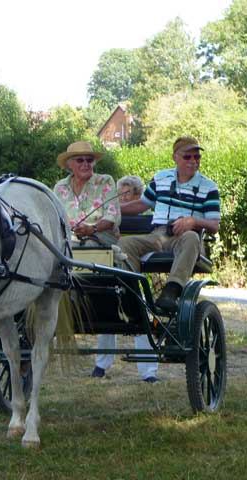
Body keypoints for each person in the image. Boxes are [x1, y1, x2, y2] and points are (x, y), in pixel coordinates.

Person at [118, 136, 221, 312]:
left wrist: (193, 221)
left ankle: (171, 291)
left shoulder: (208, 187)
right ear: (175, 157)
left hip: (188, 240)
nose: (193, 161)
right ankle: (132, 295)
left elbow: (214, 224)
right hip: (158, 236)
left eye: (197, 157)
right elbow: (141, 205)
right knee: (124, 244)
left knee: (190, 237)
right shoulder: (160, 178)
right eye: (187, 157)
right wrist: (111, 210)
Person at [88, 175, 160, 382]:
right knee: (106, 315)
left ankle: (148, 372)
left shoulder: (147, 220)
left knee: (142, 314)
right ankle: (101, 365)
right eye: (118, 194)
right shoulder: (108, 218)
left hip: (135, 275)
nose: (121, 198)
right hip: (111, 273)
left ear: (138, 195)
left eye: (126, 193)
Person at [53, 141, 120, 247]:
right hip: (69, 238)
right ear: (69, 164)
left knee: (89, 244)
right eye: (80, 160)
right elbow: (54, 218)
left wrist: (92, 229)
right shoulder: (60, 187)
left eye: (89, 160)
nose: (85, 164)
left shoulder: (105, 181)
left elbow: (112, 217)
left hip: (100, 236)